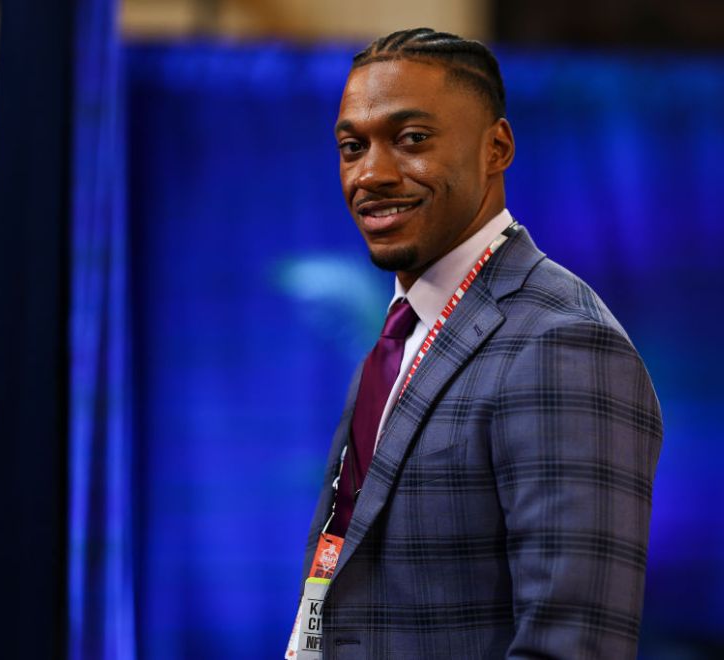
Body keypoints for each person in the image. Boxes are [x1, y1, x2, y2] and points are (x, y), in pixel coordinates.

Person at [288, 28, 663, 659]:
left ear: (497, 148)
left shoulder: (562, 342)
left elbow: (573, 646)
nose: (372, 174)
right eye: (353, 147)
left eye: (412, 140)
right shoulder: (403, 334)